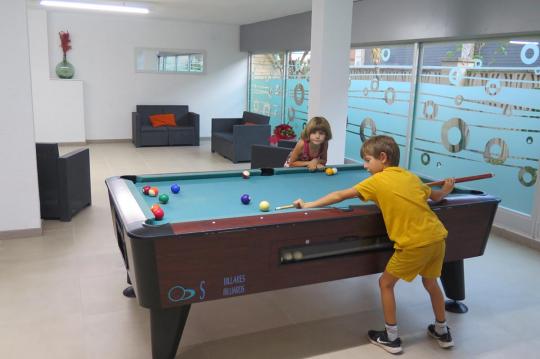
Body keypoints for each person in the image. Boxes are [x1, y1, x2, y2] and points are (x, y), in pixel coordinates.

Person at [293, 135, 455, 354]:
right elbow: (435, 197)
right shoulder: (411, 177)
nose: (365, 165)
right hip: (437, 238)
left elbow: (340, 195)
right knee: (431, 284)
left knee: (386, 283)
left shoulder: (377, 181)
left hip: (413, 244)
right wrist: (446, 190)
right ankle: (442, 331)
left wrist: (309, 204)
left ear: (383, 158)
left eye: (368, 160)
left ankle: (391, 338)